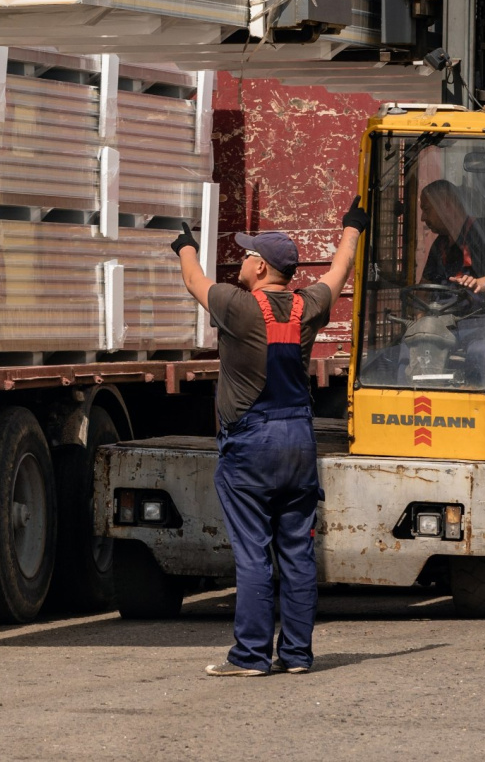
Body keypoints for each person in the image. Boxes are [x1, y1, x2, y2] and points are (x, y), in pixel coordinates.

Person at [170, 195, 366, 677]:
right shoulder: (308, 306)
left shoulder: (237, 308)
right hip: (298, 442)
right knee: (297, 553)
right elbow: (339, 271)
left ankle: (252, 655)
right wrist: (353, 226)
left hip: (251, 447)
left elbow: (194, 280)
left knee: (254, 553)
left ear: (260, 267)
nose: (240, 260)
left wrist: (184, 245)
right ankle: (297, 656)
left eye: (246, 254)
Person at [418, 180, 485, 443]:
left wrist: (480, 283)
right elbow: (423, 289)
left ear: (447, 205)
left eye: (427, 209)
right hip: (452, 324)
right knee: (410, 350)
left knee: (481, 352)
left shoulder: (481, 231)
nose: (423, 218)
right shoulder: (440, 246)